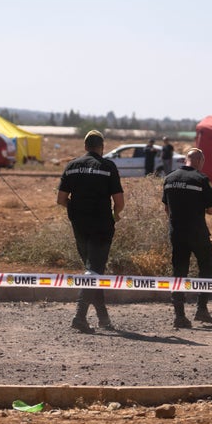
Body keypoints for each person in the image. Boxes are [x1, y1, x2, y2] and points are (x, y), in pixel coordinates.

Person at [57, 130, 125, 333]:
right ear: (101, 147)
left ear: (85, 146)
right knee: (94, 271)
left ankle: (104, 319)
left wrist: (75, 209)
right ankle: (79, 317)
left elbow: (61, 199)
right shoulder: (107, 166)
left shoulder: (72, 166)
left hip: (79, 225)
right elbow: (119, 202)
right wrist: (115, 214)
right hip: (102, 226)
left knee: (93, 270)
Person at [162, 148, 212, 328]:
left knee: (179, 272)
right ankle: (201, 309)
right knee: (206, 265)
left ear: (186, 159)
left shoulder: (169, 178)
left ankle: (179, 315)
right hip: (197, 232)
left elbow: (166, 208)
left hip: (176, 232)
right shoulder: (202, 179)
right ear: (200, 161)